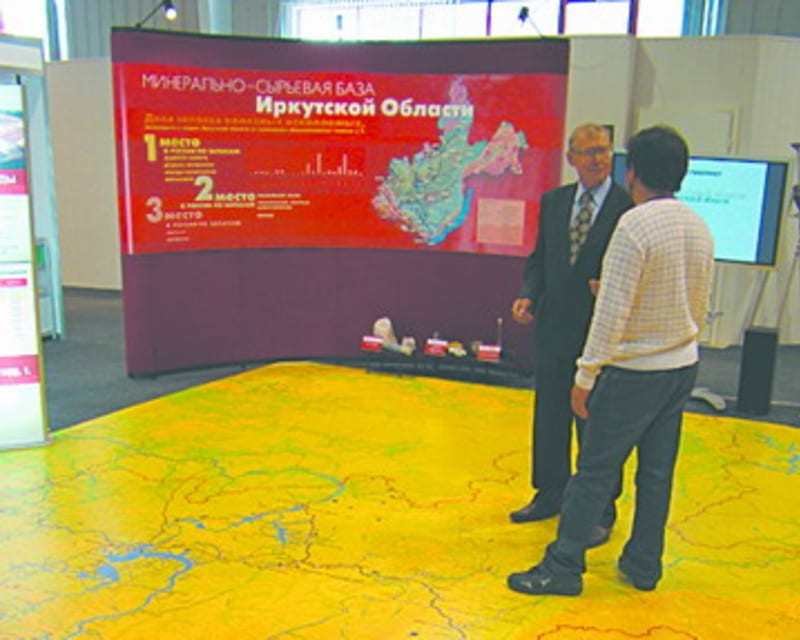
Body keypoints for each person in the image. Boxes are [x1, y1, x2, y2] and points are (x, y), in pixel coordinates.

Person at [507, 125, 715, 597]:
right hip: (680, 366)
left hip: (633, 369)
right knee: (656, 474)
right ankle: (644, 564)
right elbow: (699, 303)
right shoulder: (698, 226)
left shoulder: (633, 225)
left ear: (632, 171)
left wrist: (586, 375)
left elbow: (612, 312)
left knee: (595, 470)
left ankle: (563, 567)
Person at [509, 123, 633, 548]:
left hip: (601, 334)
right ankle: (550, 493)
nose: (598, 159)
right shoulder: (555, 202)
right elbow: (540, 259)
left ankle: (601, 510)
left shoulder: (627, 206)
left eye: (604, 150)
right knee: (550, 415)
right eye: (589, 151)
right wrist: (528, 294)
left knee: (596, 424)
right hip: (553, 329)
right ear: (571, 158)